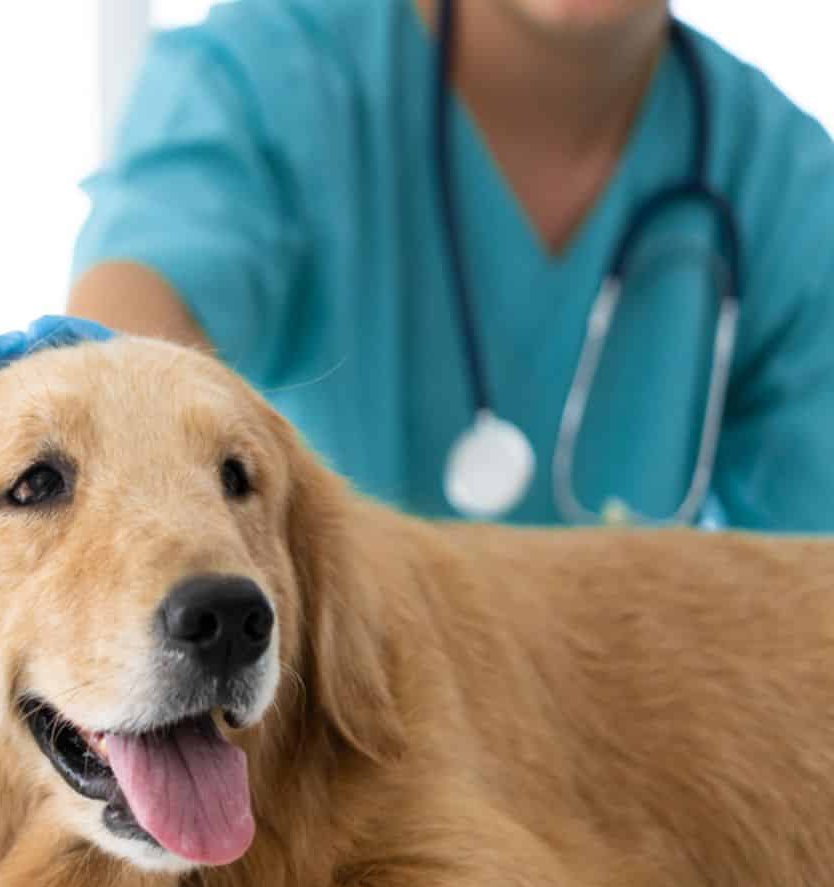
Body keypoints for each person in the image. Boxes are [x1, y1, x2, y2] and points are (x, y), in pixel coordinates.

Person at [65, 0, 834, 530]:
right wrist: (88, 399)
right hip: (325, 733)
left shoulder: (787, 185)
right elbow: (134, 313)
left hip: (624, 743)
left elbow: (808, 599)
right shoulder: (276, 66)